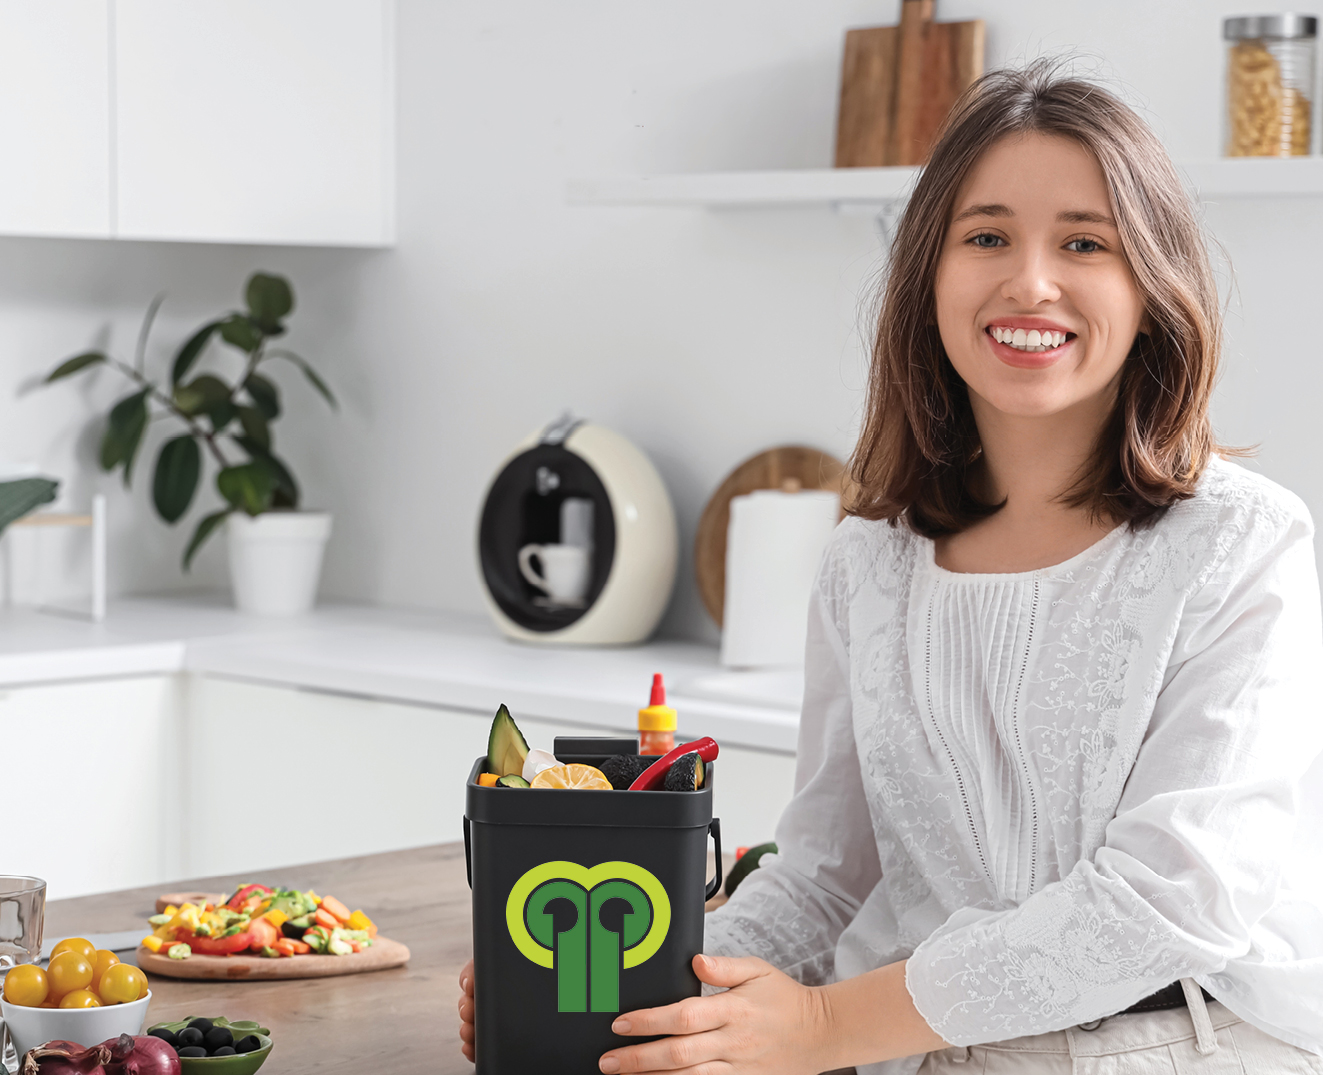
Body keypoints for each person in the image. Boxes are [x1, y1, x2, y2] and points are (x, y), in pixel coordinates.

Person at [458, 62, 1323, 1073]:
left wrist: (824, 1027)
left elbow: (1174, 900)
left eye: (1086, 242)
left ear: (1151, 287)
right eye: (986, 236)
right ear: (930, 274)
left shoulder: (1238, 541)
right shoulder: (870, 561)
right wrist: (611, 997)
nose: (1030, 281)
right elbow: (825, 877)